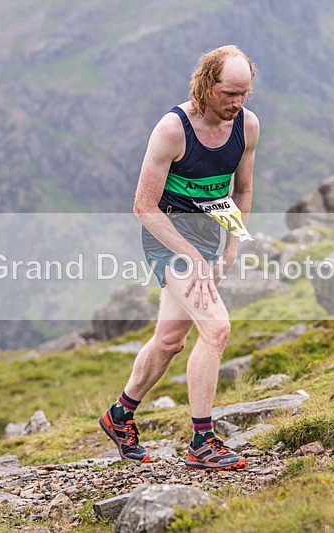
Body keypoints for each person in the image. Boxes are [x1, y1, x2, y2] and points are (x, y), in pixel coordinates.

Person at [99, 45, 259, 471]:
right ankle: (203, 441)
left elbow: (242, 191)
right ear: (206, 84)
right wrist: (191, 255)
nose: (238, 102)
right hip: (168, 239)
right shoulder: (172, 130)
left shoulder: (247, 126)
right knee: (217, 328)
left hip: (210, 236)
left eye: (244, 93)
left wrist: (232, 247)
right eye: (229, 93)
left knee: (170, 340)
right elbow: (143, 206)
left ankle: (119, 415)